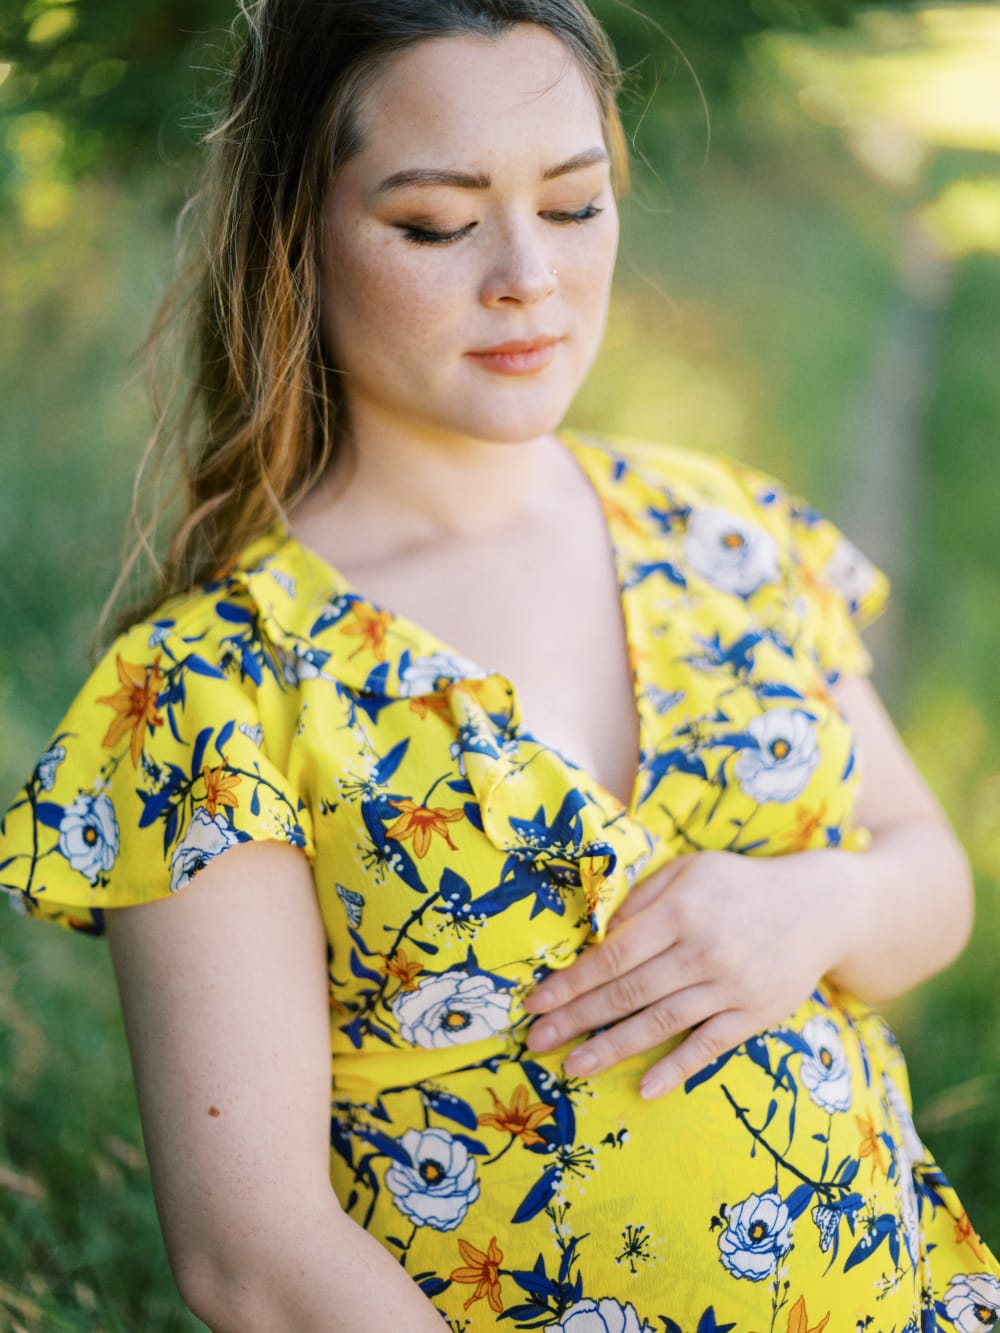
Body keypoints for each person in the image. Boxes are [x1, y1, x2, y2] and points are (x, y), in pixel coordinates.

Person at [1, 2, 997, 1329]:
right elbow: (255, 1256)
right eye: (435, 224)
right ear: (295, 233)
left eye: (574, 205)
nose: (527, 273)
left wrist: (822, 902)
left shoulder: (721, 530)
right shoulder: (212, 689)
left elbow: (931, 878)